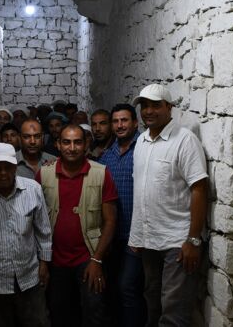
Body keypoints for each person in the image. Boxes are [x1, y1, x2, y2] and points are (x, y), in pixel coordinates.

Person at [129, 84, 208, 327]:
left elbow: (199, 189)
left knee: (174, 312)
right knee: (152, 303)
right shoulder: (141, 141)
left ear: (169, 108)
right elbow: (142, 191)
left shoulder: (185, 140)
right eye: (145, 106)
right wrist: (137, 235)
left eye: (156, 105)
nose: (149, 111)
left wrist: (193, 240)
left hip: (177, 242)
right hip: (149, 240)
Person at [36, 124, 118, 327]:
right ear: (57, 144)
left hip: (88, 258)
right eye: (66, 142)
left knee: (95, 313)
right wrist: (42, 261)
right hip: (55, 260)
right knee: (60, 313)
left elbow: (110, 221)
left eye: (77, 142)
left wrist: (97, 260)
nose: (72, 148)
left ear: (86, 144)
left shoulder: (100, 173)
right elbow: (35, 222)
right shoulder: (44, 174)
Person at [0, 143, 52, 327]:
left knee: (37, 322)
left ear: (15, 167)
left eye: (8, 167)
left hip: (29, 274)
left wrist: (44, 263)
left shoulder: (33, 189)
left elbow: (43, 230)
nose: (3, 173)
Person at [98, 104, 145, 327]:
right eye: (115, 121)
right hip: (112, 236)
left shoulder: (144, 149)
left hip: (136, 235)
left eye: (124, 120)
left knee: (128, 288)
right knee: (115, 287)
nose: (120, 125)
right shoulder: (107, 156)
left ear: (135, 123)